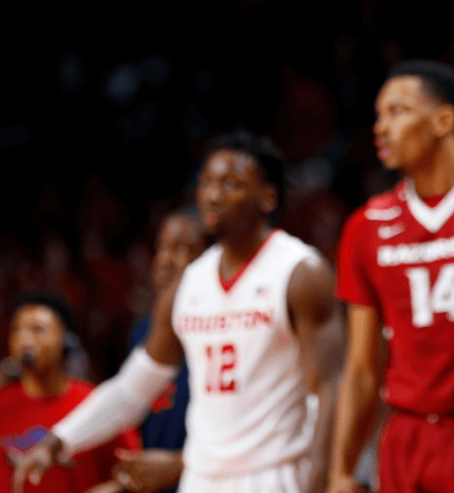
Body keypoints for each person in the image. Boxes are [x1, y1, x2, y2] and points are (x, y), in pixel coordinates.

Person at [12, 132, 345, 493]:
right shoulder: (190, 284)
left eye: (231, 184)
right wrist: (57, 441)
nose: (213, 195)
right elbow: (132, 389)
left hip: (273, 475)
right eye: (206, 183)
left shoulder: (299, 272)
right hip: (201, 480)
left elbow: (329, 390)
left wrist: (323, 479)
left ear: (269, 197)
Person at [329, 61, 454, 493]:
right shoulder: (365, 225)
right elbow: (361, 367)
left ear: (443, 120)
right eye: (378, 115)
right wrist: (340, 471)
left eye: (397, 111)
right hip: (408, 436)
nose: (381, 127)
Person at [107, 211, 209, 493]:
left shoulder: (221, 326)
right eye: (161, 248)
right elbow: (130, 405)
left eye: (181, 249)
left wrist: (179, 465)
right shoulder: (143, 330)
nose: (164, 259)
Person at [1, 293, 140, 493]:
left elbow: (132, 475)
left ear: (66, 339)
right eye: (16, 330)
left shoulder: (95, 402)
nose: (24, 339)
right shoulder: (3, 402)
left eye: (37, 329)